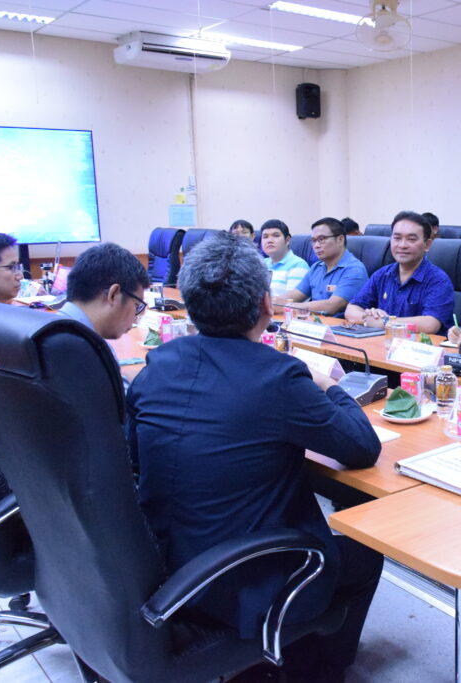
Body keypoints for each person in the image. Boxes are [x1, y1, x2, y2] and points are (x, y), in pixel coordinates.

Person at [127, 233, 382, 682]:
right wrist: (328, 384)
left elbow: (134, 457)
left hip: (160, 563)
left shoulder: (159, 363)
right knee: (365, 552)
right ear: (266, 303)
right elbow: (362, 447)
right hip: (241, 580)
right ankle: (322, 670)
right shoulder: (278, 376)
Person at [345, 211, 454, 334]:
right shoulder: (382, 274)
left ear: (427, 245)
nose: (402, 245)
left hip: (419, 344)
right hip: (381, 342)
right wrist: (369, 318)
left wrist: (385, 322)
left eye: (411, 239)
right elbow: (351, 309)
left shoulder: (438, 279)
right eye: (397, 238)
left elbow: (430, 324)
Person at [60, 243, 150, 340]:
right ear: (113, 295)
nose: (135, 321)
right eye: (137, 306)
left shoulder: (57, 329)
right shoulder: (77, 345)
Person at [284, 217, 368, 317]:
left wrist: (292, 306)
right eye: (313, 241)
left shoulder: (354, 270)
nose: (316, 245)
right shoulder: (316, 267)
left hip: (339, 325)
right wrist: (273, 302)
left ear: (340, 239)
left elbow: (331, 306)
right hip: (315, 323)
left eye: (321, 239)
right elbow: (295, 294)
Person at [260, 219, 309, 300]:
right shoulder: (260, 264)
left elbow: (290, 302)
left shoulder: (298, 265)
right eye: (265, 237)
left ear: (287, 240)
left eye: (276, 236)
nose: (269, 240)